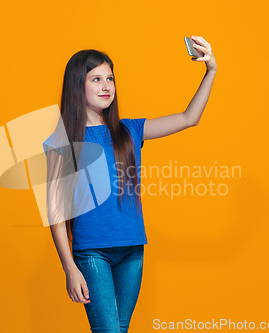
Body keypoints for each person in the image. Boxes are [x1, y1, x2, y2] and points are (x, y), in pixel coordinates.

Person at [43, 35, 217, 333]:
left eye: (109, 78)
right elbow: (56, 214)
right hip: (92, 251)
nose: (106, 86)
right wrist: (69, 268)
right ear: (77, 85)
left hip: (133, 249)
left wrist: (211, 70)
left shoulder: (130, 131)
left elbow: (190, 118)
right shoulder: (61, 143)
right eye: (96, 79)